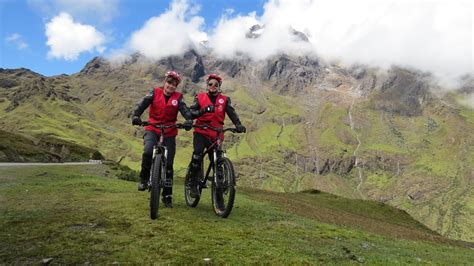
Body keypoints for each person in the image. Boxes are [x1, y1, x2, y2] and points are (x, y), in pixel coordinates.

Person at [131, 71, 193, 208]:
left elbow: (184, 110)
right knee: (147, 152)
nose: (171, 86)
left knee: (169, 165)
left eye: (174, 84)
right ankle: (144, 179)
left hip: (169, 132)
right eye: (169, 82)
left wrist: (188, 119)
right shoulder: (154, 93)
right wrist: (136, 116)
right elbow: (142, 105)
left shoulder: (179, 97)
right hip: (153, 129)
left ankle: (167, 196)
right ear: (165, 82)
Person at [188, 73, 246, 197]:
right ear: (207, 85)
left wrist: (238, 124)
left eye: (216, 84)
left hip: (216, 134)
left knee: (217, 161)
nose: (213, 86)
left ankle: (220, 188)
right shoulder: (200, 97)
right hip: (201, 131)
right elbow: (191, 113)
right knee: (197, 155)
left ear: (219, 86)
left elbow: (232, 113)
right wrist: (202, 111)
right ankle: (193, 183)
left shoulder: (224, 100)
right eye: (210, 84)